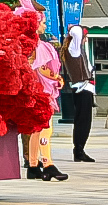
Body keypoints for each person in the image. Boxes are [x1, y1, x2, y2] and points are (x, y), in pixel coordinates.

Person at [25, 37, 67, 180]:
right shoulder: (38, 46)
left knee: (36, 130)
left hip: (34, 91)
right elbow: (42, 67)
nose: (44, 25)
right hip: (42, 92)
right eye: (42, 22)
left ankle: (33, 165)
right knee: (45, 129)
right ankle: (47, 164)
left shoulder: (28, 43)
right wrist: (57, 77)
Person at [61, 24, 97, 161]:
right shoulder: (74, 49)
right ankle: (79, 150)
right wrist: (73, 27)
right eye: (85, 37)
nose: (85, 40)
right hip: (82, 89)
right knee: (83, 121)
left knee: (83, 120)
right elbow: (76, 32)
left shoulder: (77, 50)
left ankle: (80, 149)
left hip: (85, 89)